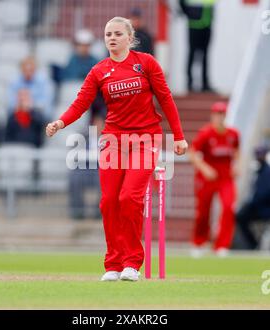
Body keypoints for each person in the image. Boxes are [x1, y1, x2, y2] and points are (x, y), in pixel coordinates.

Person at [46, 16, 188, 281]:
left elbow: (166, 99)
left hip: (146, 139)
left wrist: (178, 137)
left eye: (118, 34)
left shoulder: (146, 63)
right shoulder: (99, 70)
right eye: (108, 34)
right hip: (113, 140)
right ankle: (113, 263)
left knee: (129, 198)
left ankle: (132, 262)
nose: (112, 38)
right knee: (109, 202)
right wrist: (60, 122)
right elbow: (81, 103)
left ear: (129, 37)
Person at [188, 102, 240, 257]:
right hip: (207, 178)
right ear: (213, 115)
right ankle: (199, 242)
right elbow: (192, 153)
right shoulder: (206, 133)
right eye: (217, 114)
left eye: (222, 114)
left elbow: (237, 151)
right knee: (203, 211)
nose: (220, 117)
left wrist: (237, 166)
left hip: (225, 178)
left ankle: (222, 245)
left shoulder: (233, 134)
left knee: (228, 207)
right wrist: (205, 169)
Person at [236, 145, 270, 249]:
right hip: (260, 206)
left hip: (265, 208)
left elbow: (262, 194)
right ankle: (254, 244)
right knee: (240, 216)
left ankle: (254, 245)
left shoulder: (267, 171)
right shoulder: (258, 170)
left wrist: (251, 203)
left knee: (242, 216)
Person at [179, 0, 215, 92]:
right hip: (194, 25)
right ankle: (190, 83)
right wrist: (190, 14)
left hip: (207, 23)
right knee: (192, 54)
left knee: (205, 55)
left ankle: (205, 84)